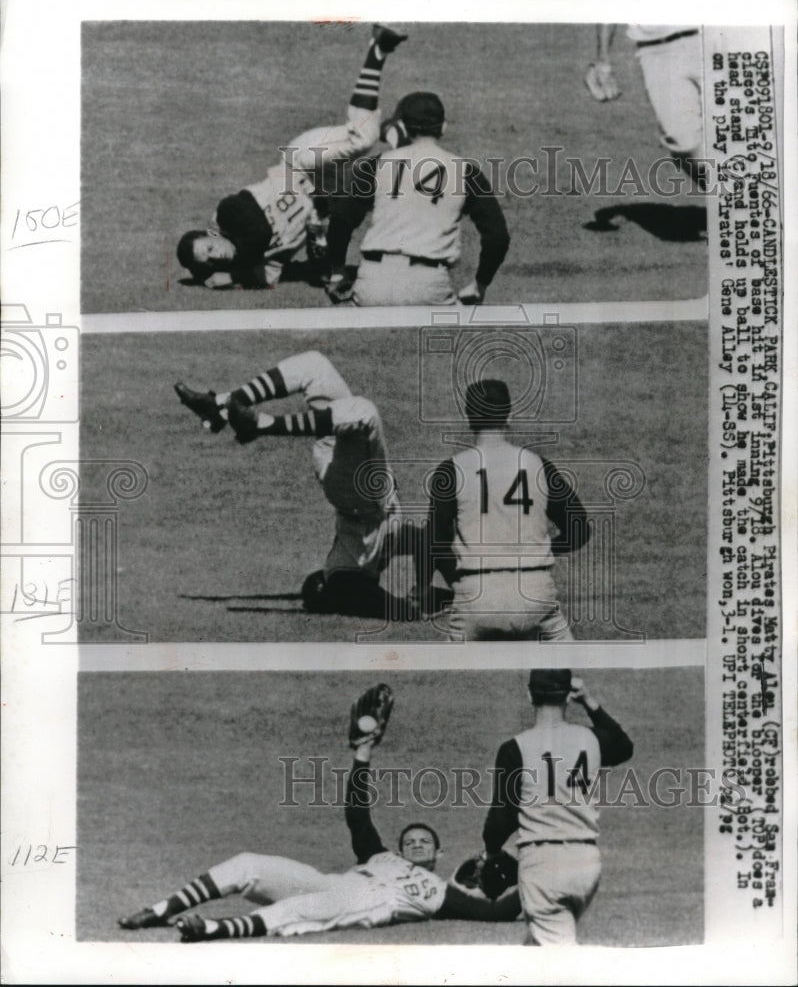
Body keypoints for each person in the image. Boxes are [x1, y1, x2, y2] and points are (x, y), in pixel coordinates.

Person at [117, 684, 520, 941]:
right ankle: (160, 910)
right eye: (409, 841)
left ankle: (210, 929)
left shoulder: (442, 895)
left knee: (295, 911)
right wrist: (363, 754)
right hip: (329, 884)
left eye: (423, 842)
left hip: (361, 903)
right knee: (248, 863)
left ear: (439, 855)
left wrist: (541, 870)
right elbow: (357, 813)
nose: (415, 844)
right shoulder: (378, 856)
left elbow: (498, 911)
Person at [174, 351, 420, 619]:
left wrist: (410, 610)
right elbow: (422, 541)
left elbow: (362, 594)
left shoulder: (349, 568)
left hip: (357, 494)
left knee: (364, 413)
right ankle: (220, 406)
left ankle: (262, 425)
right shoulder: (378, 549)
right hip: (350, 472)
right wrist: (432, 589)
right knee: (315, 365)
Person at [176, 23, 407, 290]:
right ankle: (394, 133)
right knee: (400, 173)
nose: (216, 254)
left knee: (362, 138)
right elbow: (271, 276)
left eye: (209, 247)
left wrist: (235, 275)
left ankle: (377, 50)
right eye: (209, 260)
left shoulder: (227, 215)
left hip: (302, 164)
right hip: (330, 192)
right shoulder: (262, 259)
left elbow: (259, 233)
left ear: (212, 234)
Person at [420, 379, 591, 640]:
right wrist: (537, 549)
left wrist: (448, 582)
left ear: (469, 417)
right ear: (509, 415)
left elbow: (434, 541)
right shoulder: (538, 465)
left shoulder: (452, 469)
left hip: (476, 596)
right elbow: (579, 528)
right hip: (535, 593)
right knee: (565, 672)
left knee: (451, 671)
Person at [481, 669, 634, 945]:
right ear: (567, 696)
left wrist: (491, 852)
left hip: (544, 868)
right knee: (538, 946)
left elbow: (501, 819)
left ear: (529, 695)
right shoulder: (592, 739)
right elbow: (624, 747)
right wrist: (589, 701)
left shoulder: (515, 748)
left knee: (560, 959)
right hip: (586, 864)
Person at [323, 91, 510, 306]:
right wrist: (480, 284)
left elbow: (340, 221)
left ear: (402, 127)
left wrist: (338, 272)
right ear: (443, 128)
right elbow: (498, 237)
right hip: (428, 285)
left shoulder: (376, 164)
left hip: (372, 282)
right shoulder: (466, 171)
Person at [585, 26, 707, 191]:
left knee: (734, 134)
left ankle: (735, 208)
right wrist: (602, 60)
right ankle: (728, 203)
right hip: (656, 53)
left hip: (710, 39)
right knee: (684, 142)